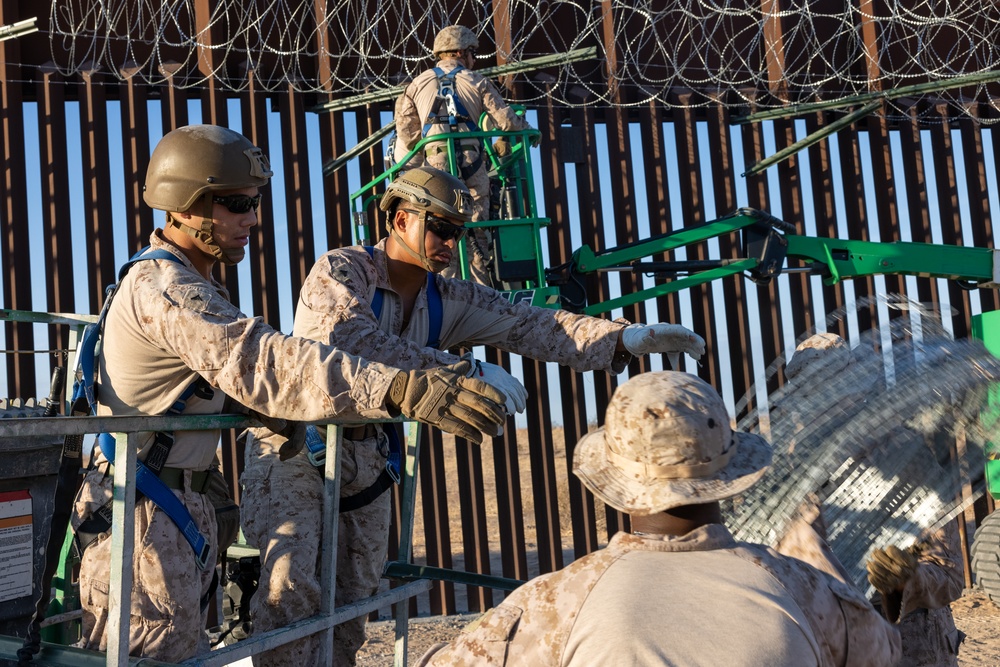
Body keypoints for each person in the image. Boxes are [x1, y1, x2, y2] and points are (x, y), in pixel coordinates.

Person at [68, 125, 512, 662]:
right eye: (235, 204)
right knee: (152, 656)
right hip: (145, 512)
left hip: (170, 505)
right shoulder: (169, 289)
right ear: (183, 206)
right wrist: (400, 387)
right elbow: (262, 359)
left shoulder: (195, 282)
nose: (251, 218)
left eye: (253, 203)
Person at [240, 165, 707, 666]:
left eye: (457, 232)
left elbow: (531, 323)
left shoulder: (449, 296)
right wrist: (465, 368)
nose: (449, 242)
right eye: (439, 227)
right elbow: (346, 343)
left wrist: (622, 338)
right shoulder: (343, 271)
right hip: (296, 453)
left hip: (365, 458)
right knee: (291, 598)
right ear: (400, 221)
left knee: (354, 605)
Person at [416, 371, 902, 666]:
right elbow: (888, 654)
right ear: (730, 472)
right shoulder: (809, 592)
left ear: (614, 479)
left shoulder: (553, 603)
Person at [775, 333, 965, 666]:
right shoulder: (793, 465)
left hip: (912, 646)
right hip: (834, 644)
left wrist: (904, 578)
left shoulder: (907, 455)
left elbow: (949, 577)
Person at [393, 24, 536, 287]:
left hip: (435, 168)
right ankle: (480, 294)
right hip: (472, 165)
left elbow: (406, 132)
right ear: (461, 52)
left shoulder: (416, 84)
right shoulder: (477, 81)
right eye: (472, 53)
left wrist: (428, 142)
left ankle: (444, 290)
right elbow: (506, 121)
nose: (473, 59)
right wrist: (529, 132)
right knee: (476, 229)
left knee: (441, 228)